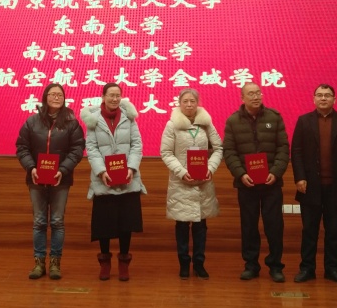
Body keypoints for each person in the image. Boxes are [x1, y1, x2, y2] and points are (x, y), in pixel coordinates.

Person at [291, 84, 337, 285]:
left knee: (334, 231)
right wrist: (299, 177)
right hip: (309, 186)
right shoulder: (304, 121)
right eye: (319, 95)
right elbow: (296, 151)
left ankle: (332, 269)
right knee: (309, 231)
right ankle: (307, 269)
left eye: (327, 95)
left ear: (334, 99)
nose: (323, 98)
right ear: (313, 99)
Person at [15, 83, 85, 281]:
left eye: (60, 95)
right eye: (53, 94)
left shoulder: (71, 123)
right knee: (39, 222)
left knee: (57, 221)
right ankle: (39, 263)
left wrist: (63, 170)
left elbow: (77, 149)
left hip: (60, 180)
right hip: (36, 178)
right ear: (45, 97)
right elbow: (22, 147)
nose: (56, 97)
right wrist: (31, 167)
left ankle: (55, 263)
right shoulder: (32, 122)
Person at [222, 82, 290, 282]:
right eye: (251, 94)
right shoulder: (233, 121)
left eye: (258, 93)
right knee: (249, 226)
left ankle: (275, 266)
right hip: (247, 184)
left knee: (274, 226)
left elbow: (283, 148)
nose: (256, 97)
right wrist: (241, 174)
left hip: (271, 184)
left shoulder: (274, 117)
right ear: (242, 98)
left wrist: (275, 172)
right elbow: (229, 152)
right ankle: (251, 265)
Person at [81, 83, 146, 281]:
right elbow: (92, 148)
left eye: (118, 95)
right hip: (104, 180)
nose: (115, 99)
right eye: (111, 95)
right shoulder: (93, 119)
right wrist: (101, 171)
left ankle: (124, 262)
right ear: (103, 97)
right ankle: (105, 263)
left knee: (126, 223)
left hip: (127, 178)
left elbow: (137, 145)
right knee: (104, 224)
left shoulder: (129, 117)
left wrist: (131, 167)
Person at [160, 88, 224, 279]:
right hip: (181, 183)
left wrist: (210, 168)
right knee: (181, 226)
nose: (189, 105)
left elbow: (218, 148)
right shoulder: (172, 125)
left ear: (198, 103)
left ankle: (199, 263)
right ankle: (183, 264)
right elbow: (166, 153)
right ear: (179, 103)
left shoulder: (206, 124)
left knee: (200, 226)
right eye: (185, 101)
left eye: (192, 101)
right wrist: (181, 172)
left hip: (203, 182)